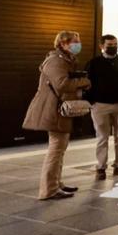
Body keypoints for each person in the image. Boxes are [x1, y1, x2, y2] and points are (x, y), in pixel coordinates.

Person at [23, 31, 91, 200]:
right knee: (56, 149)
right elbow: (62, 84)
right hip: (53, 109)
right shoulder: (55, 61)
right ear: (63, 43)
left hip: (59, 109)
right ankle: (48, 190)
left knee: (60, 149)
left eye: (78, 41)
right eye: (74, 41)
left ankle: (56, 183)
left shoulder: (66, 60)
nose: (78, 44)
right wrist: (85, 81)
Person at [86, 34, 118, 180]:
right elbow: (87, 83)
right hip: (100, 105)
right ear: (102, 46)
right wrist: (92, 101)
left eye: (115, 44)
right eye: (109, 45)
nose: (113, 47)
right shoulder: (94, 63)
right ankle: (101, 167)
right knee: (102, 138)